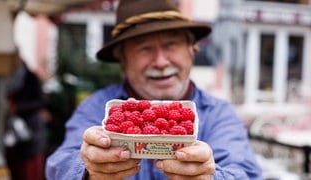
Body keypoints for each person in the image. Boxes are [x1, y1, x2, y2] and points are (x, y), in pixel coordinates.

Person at [45, 0, 262, 179]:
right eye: (144, 49)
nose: (160, 62)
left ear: (191, 51)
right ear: (123, 60)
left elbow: (244, 173)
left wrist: (210, 177)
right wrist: (88, 169)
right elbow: (58, 166)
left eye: (171, 45)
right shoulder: (98, 108)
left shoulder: (219, 114)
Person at [5, 55, 48, 180]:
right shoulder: (5, 80)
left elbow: (41, 101)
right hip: (13, 137)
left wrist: (18, 107)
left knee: (30, 172)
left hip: (31, 133)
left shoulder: (31, 78)